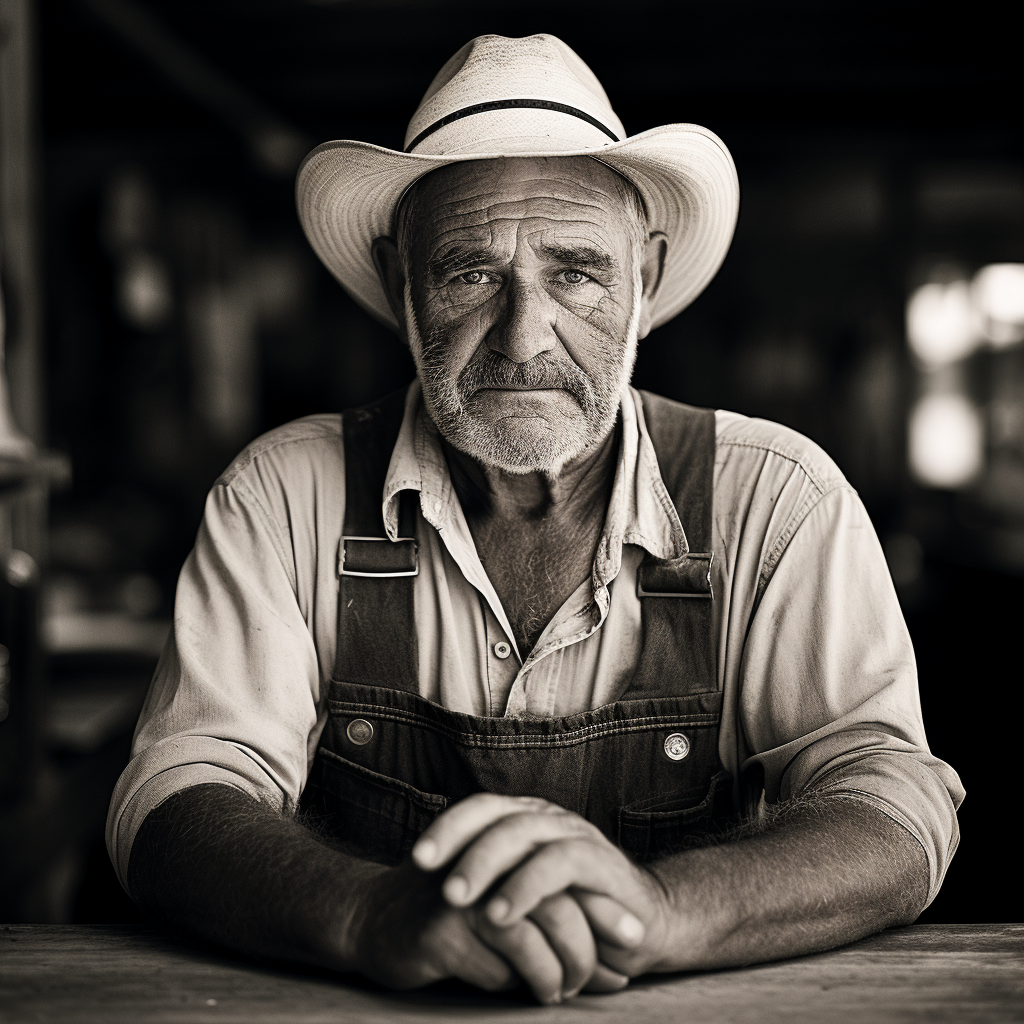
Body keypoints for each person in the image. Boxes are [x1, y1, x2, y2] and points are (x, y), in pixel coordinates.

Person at [106, 34, 963, 1005]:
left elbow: (893, 809)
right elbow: (170, 805)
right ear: (400, 284)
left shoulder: (774, 500)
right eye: (470, 274)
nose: (523, 336)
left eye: (576, 273)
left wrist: (660, 907)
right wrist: (364, 913)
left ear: (644, 279)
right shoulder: (281, 496)